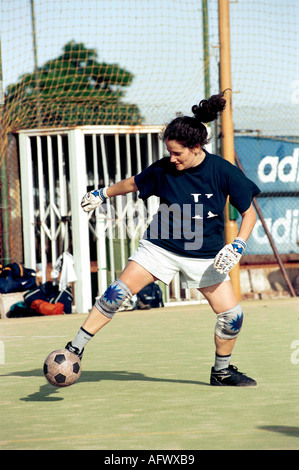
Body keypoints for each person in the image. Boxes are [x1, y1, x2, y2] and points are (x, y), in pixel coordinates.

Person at [66, 90, 260, 386]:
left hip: (204, 256)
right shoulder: (164, 169)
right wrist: (102, 193)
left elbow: (249, 214)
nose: (172, 157)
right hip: (159, 247)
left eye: (177, 152)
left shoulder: (223, 171)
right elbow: (134, 182)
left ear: (196, 147)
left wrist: (238, 244)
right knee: (115, 294)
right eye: (169, 151)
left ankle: (221, 372)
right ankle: (74, 349)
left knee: (232, 317)